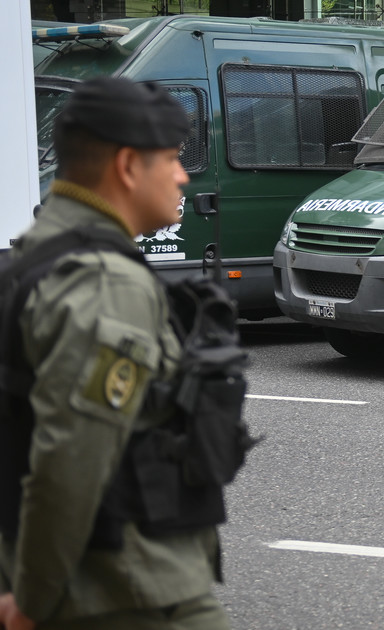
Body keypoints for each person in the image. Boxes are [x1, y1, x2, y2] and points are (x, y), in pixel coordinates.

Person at [0, 78, 229, 629]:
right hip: (126, 590)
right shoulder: (105, 281)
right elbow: (72, 455)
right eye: (172, 159)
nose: (183, 176)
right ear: (128, 166)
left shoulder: (31, 258)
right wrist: (34, 597)